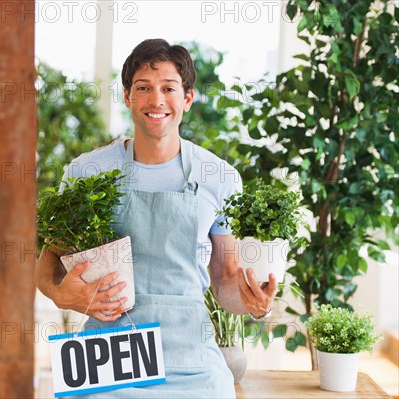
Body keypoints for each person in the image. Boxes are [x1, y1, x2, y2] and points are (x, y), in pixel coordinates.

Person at [35, 39, 277, 398]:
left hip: (190, 355)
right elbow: (48, 264)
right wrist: (60, 294)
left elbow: (226, 281)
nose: (157, 100)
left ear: (188, 99)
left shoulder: (219, 177)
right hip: (110, 351)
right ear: (128, 97)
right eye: (144, 88)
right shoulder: (87, 170)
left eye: (169, 88)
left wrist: (255, 305)